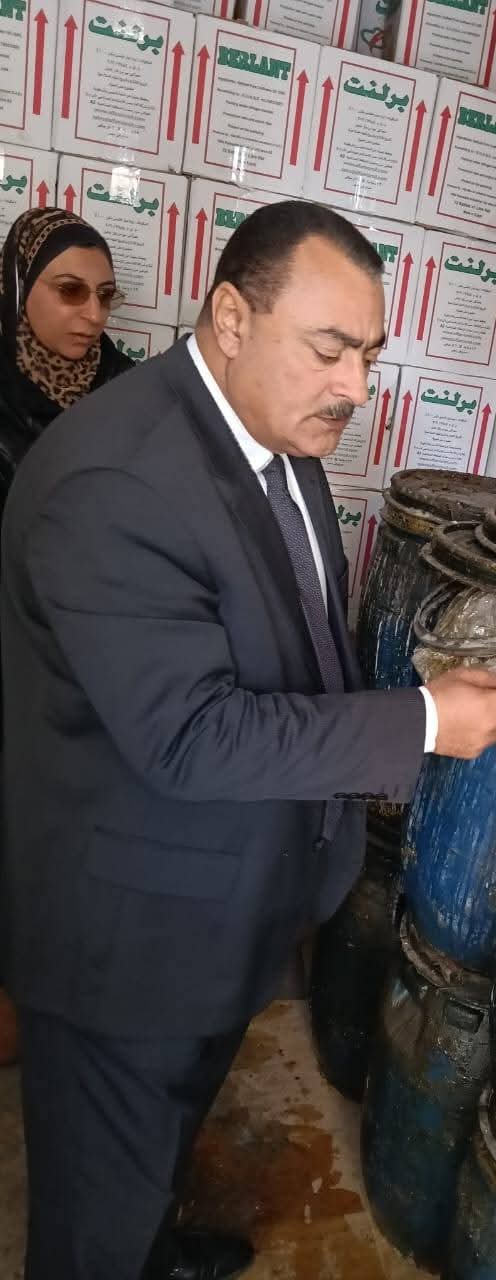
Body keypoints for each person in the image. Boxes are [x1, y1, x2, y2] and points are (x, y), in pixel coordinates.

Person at [0, 200, 496, 1280]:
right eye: (330, 348)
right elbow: (190, 732)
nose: (356, 385)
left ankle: (153, 1247)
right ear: (230, 317)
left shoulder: (277, 437)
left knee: (156, 1149)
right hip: (126, 938)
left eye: (370, 354)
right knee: (94, 1206)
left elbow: (296, 645)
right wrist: (425, 721)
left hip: (218, 905)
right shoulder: (115, 480)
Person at [0, 207, 134, 1068]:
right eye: (69, 291)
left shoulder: (130, 396)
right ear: (19, 290)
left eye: (105, 296)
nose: (91, 315)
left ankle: (63, 985)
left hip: (95, 655)